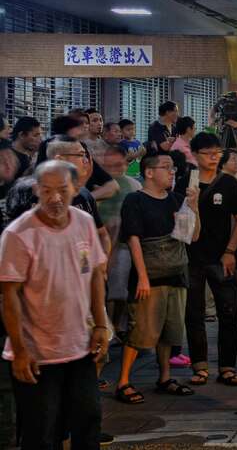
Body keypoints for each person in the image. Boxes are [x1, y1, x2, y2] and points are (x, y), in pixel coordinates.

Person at [0, 161, 108, 449]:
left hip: (79, 346)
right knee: (42, 432)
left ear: (76, 189)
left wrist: (100, 324)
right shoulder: (18, 234)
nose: (55, 198)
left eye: (62, 190)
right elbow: (9, 296)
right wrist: (21, 351)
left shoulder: (84, 223)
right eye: (47, 191)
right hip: (38, 354)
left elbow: (95, 274)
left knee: (89, 420)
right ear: (37, 190)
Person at [116, 153, 200, 405]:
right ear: (149, 172)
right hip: (149, 276)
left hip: (175, 274)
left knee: (169, 331)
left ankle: (165, 377)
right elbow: (133, 239)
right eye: (165, 167)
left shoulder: (176, 200)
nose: (171, 172)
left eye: (172, 168)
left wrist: (194, 207)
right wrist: (141, 276)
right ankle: (123, 381)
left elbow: (192, 236)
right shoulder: (135, 200)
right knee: (139, 330)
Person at [185, 132, 237, 389]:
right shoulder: (185, 183)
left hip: (221, 256)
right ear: (195, 155)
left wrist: (230, 250)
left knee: (229, 312)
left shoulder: (228, 183)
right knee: (194, 313)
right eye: (208, 153)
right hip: (191, 257)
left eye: (217, 152)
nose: (214, 157)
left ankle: (227, 366)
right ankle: (199, 366)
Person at [97, 146, 142, 342]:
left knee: (120, 290)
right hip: (100, 244)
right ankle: (108, 325)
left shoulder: (134, 185)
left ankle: (118, 325)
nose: (114, 168)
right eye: (109, 165)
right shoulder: (98, 184)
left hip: (125, 244)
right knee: (105, 290)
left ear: (125, 163)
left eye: (118, 164)